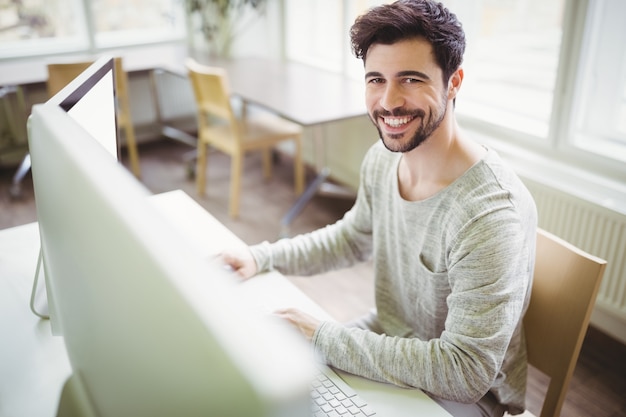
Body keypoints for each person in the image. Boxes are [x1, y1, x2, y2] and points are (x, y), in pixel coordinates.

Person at [220, 1, 537, 416]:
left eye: (410, 79)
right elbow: (353, 237)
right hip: (394, 338)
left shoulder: (489, 215)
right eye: (376, 79)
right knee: (275, 387)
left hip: (468, 396)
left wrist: (321, 336)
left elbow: (466, 371)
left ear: (454, 82)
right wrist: (260, 257)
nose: (388, 102)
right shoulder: (384, 157)